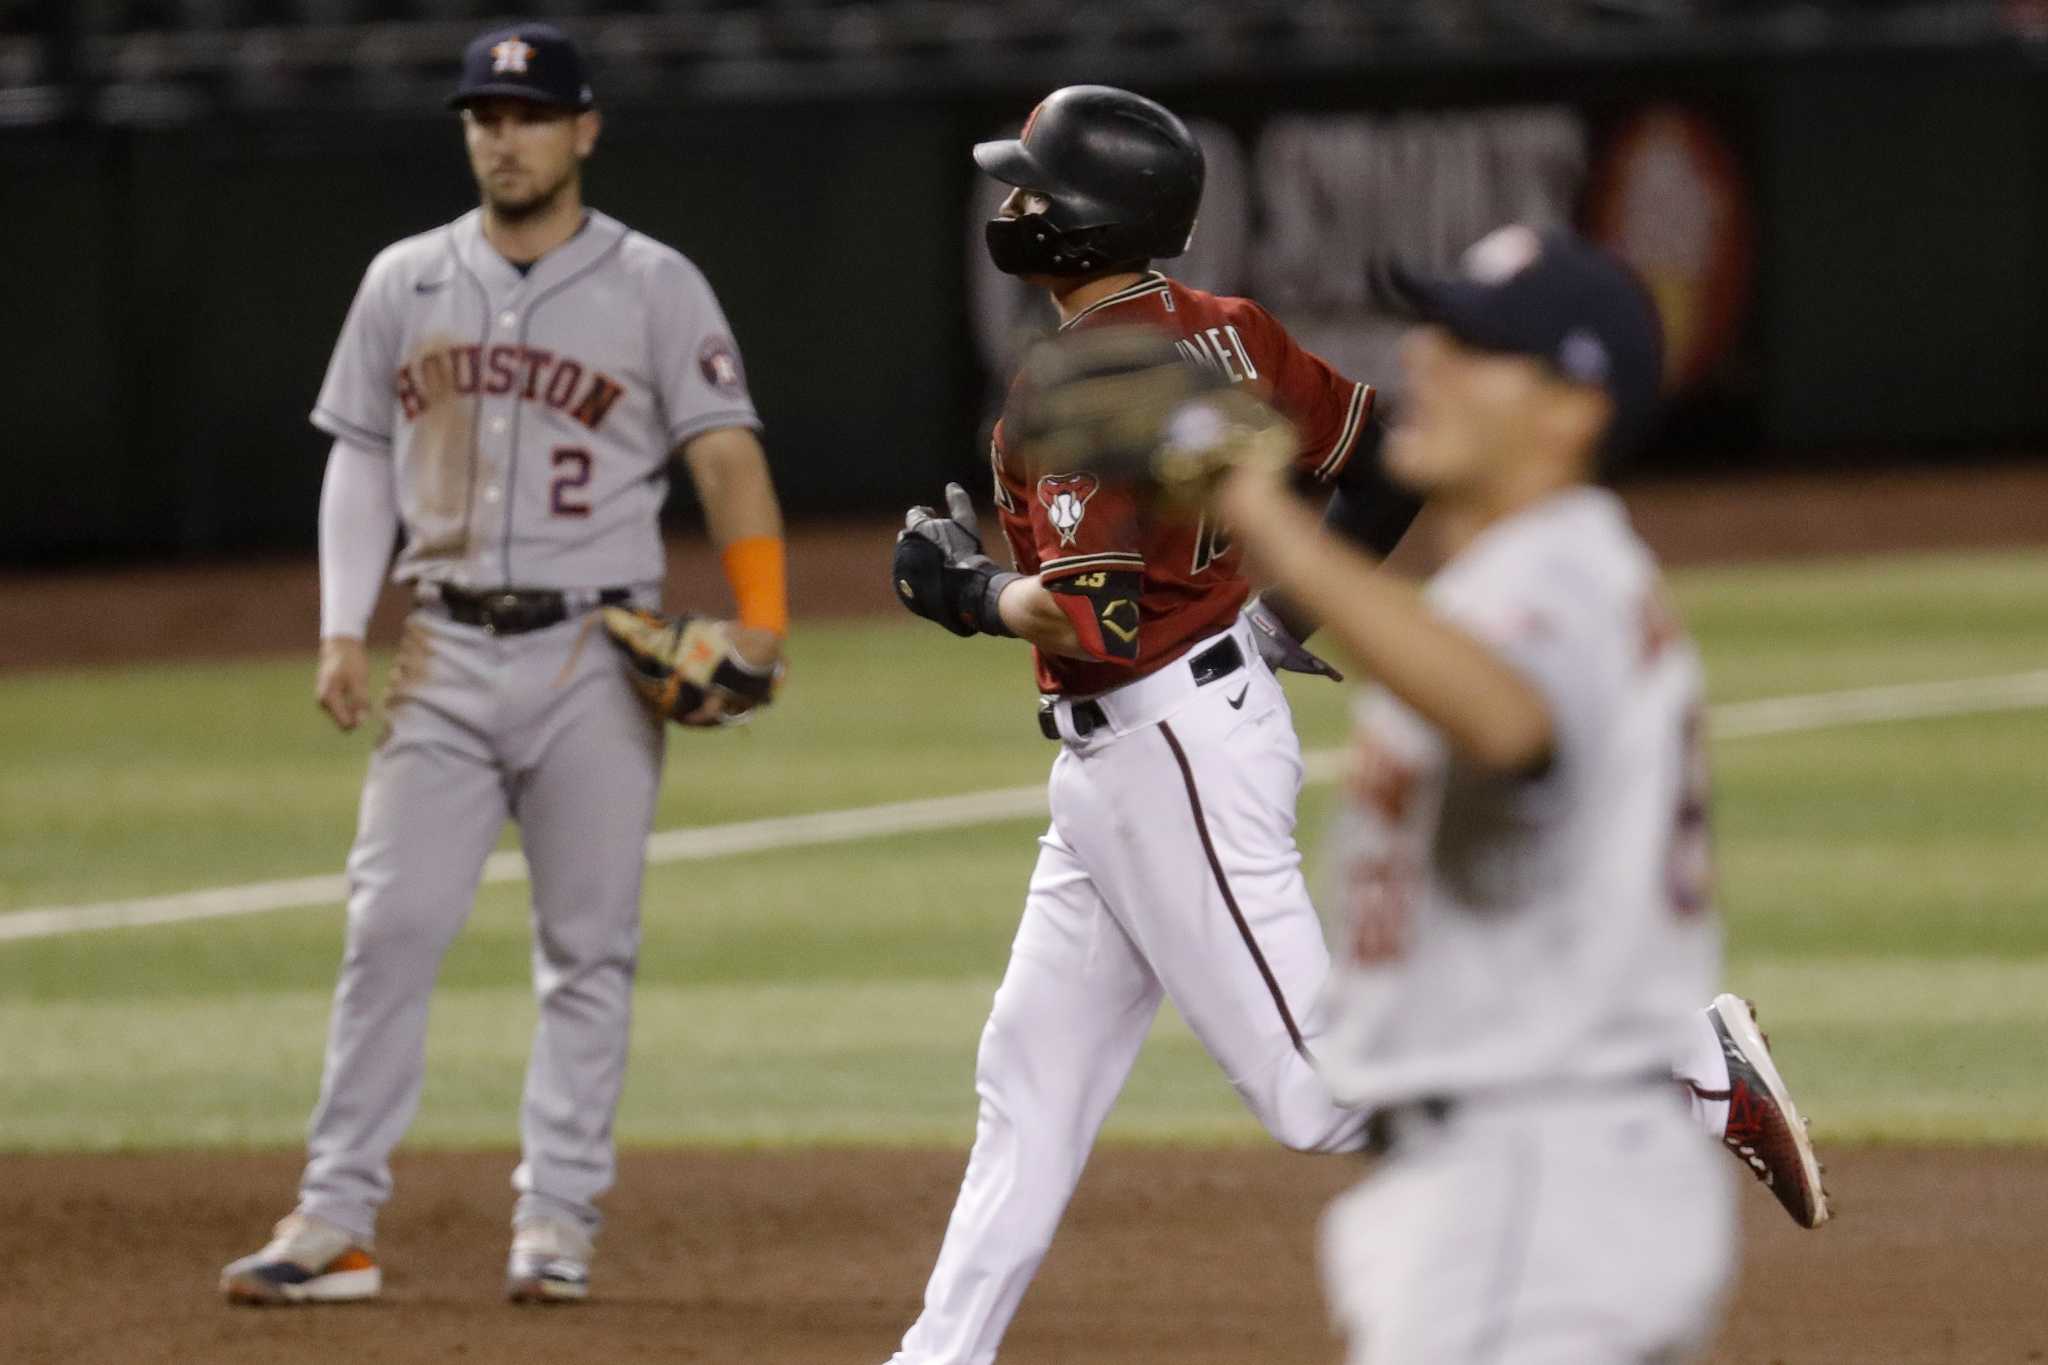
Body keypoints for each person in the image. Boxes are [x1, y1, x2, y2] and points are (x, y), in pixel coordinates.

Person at [220, 21, 788, 1306]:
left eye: (529, 116)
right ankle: (333, 1220)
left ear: (583, 128)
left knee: (587, 949)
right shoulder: (402, 280)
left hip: (598, 653)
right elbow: (359, 454)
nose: (505, 135)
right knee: (388, 928)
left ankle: (556, 1223)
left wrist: (763, 615)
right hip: (446, 646)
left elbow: (724, 455)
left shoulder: (655, 283)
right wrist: (335, 623)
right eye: (485, 115)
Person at [1202, 223, 1826, 1362]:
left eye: (1476, 346)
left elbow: (1503, 718)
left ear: (1568, 409)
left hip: (1537, 1179)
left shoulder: (1560, 575)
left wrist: (1264, 521)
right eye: (1431, 330)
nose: (1423, 362)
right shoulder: (1517, 577)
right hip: (1536, 1180)